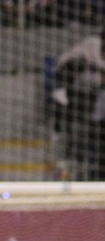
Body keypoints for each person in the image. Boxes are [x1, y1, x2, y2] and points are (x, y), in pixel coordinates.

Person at [50, 27, 105, 180]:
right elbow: (70, 63)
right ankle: (69, 170)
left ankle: (87, 172)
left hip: (90, 104)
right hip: (75, 98)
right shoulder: (91, 45)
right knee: (76, 140)